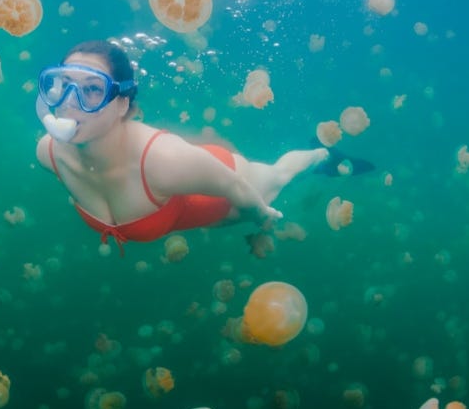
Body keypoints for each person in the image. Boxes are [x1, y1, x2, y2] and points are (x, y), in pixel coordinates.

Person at [36, 40, 329, 255]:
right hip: (181, 193)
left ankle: (322, 154)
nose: (71, 102)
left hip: (223, 189)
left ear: (122, 103)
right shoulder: (48, 154)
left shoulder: (164, 159)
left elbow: (235, 186)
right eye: (63, 84)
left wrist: (260, 216)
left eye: (92, 89)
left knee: (279, 175)